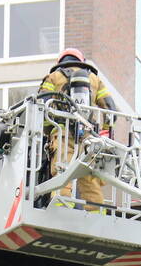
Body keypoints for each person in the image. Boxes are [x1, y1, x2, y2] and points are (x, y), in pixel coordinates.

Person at [38, 48, 117, 210]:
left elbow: (42, 105)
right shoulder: (95, 79)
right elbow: (110, 109)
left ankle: (60, 208)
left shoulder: (53, 77)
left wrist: (48, 130)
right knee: (90, 178)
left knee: (63, 170)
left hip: (62, 134)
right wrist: (104, 131)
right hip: (90, 138)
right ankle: (95, 216)